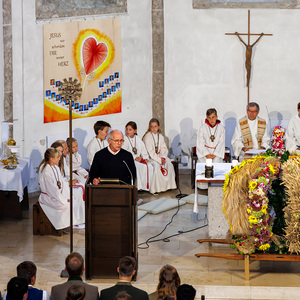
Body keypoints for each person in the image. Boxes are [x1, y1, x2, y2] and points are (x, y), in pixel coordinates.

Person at [38, 148, 85, 230]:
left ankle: (71, 223)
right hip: (49, 197)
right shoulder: (46, 172)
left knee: (73, 201)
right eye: (58, 157)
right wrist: (64, 200)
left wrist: (67, 197)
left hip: (57, 195)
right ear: (52, 159)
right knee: (66, 206)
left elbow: (62, 183)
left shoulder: (55, 167)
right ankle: (63, 225)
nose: (60, 159)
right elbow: (52, 191)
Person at [143, 118, 176, 194]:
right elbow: (150, 151)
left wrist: (163, 157)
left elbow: (163, 148)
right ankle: (157, 188)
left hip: (160, 156)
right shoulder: (147, 137)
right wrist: (159, 160)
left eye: (155, 126)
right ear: (149, 127)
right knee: (157, 167)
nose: (153, 128)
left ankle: (169, 186)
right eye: (152, 126)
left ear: (158, 127)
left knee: (169, 164)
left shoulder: (160, 136)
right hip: (151, 158)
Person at [122, 121, 153, 191]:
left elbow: (143, 150)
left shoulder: (138, 139)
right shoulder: (124, 139)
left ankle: (147, 187)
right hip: (129, 160)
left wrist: (145, 158)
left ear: (135, 131)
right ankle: (138, 187)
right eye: (126, 129)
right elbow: (124, 152)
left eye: (130, 129)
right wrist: (135, 158)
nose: (127, 131)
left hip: (139, 159)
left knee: (149, 166)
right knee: (137, 166)